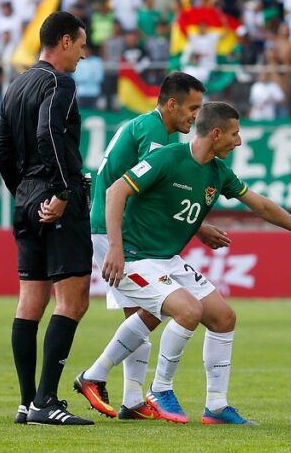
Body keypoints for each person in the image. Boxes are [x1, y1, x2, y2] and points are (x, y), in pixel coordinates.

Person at [83, 102, 291, 425]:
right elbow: (116, 191)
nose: (238, 141)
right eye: (234, 134)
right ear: (215, 134)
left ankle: (215, 405)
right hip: (134, 258)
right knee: (188, 311)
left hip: (167, 260)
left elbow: (262, 206)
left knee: (224, 317)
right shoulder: (167, 157)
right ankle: (159, 389)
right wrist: (115, 248)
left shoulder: (218, 172)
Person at [74, 71, 230, 420]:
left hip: (113, 224)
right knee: (148, 311)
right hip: (116, 228)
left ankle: (130, 398)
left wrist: (198, 226)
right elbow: (154, 187)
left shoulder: (147, 126)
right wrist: (117, 244)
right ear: (172, 104)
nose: (196, 116)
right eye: (192, 108)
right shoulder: (156, 133)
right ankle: (104, 381)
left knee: (147, 313)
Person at [0, 11, 93, 425]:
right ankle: (46, 401)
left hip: (25, 199)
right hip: (57, 197)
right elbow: (48, 133)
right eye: (81, 45)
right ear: (65, 41)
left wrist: (24, 194)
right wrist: (62, 192)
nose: (83, 55)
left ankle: (26, 403)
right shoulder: (59, 82)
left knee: (30, 300)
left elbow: (1, 153)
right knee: (73, 298)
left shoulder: (16, 85)